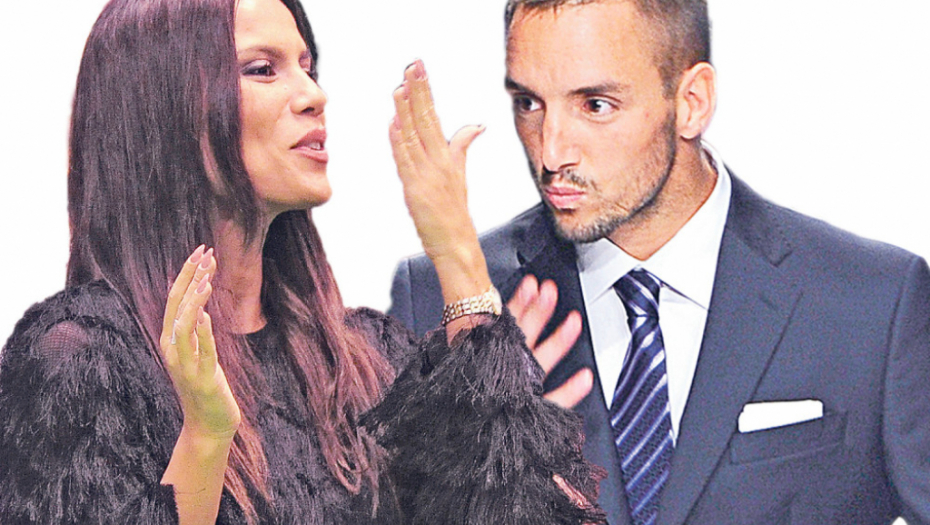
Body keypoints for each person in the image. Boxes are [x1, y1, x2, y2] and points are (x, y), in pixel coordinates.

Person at [0, 0, 606, 523]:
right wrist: (206, 439)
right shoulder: (79, 359)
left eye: (306, 67)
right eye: (262, 69)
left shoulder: (365, 358)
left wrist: (456, 253)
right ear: (164, 108)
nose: (314, 95)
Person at [388, 1, 930, 524]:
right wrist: (471, 481)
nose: (551, 153)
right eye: (530, 103)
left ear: (692, 102)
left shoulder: (873, 305)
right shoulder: (442, 302)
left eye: (595, 105)